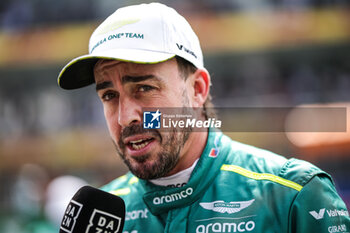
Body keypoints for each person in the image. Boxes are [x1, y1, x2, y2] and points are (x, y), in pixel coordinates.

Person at [57, 3, 350, 233]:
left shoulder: (294, 195)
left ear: (197, 89)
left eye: (144, 88)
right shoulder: (99, 217)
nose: (125, 117)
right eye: (109, 95)